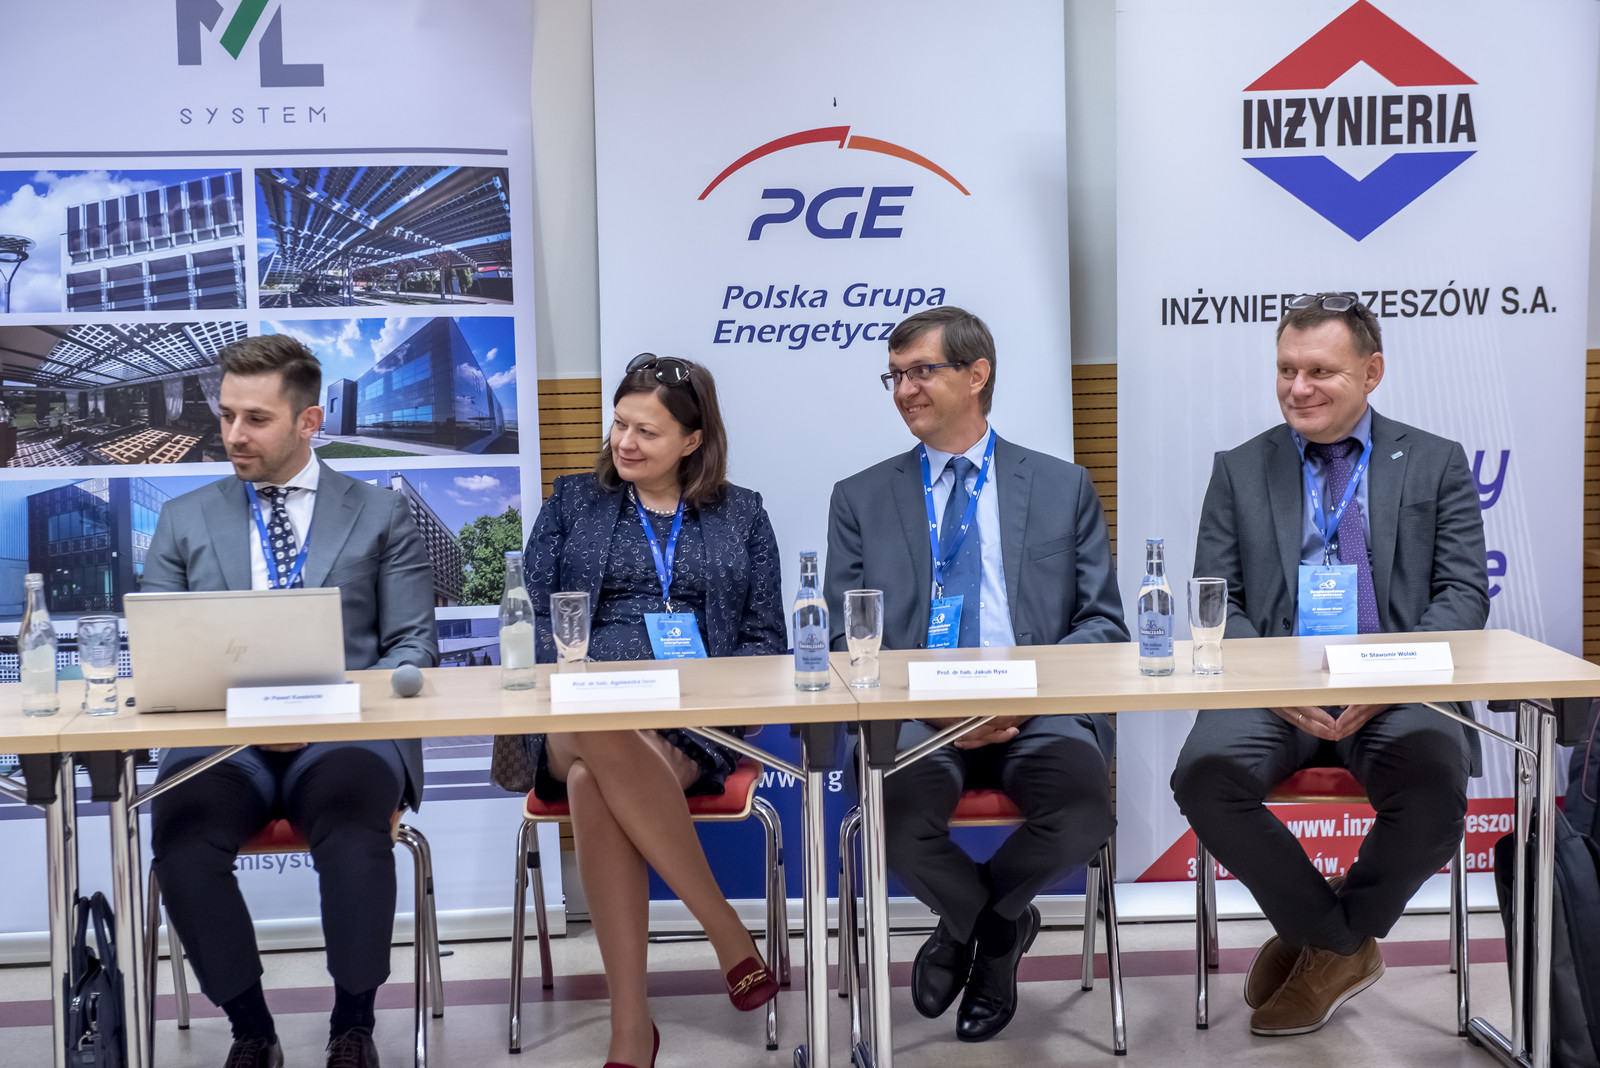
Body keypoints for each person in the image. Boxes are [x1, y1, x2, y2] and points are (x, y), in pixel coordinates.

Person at [1171, 293, 1488, 1037]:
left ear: (1371, 372)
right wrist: (1272, 683)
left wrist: (1392, 677)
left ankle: (1327, 938)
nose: (1298, 388)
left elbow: (1462, 593)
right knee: (1204, 776)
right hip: (1274, 689)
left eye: (1320, 371)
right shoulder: (1240, 468)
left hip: (1395, 685)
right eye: (1286, 370)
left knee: (1434, 781)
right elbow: (1217, 599)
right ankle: (1336, 940)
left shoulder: (1435, 461)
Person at [823, 305, 1127, 1043]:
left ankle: (971, 926)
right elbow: (844, 636)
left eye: (921, 371)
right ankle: (997, 931)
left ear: (977, 374)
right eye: (895, 377)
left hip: (1035, 709)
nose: (905, 390)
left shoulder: (1060, 486)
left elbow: (1101, 623)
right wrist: (931, 707)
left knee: (1084, 809)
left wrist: (1020, 696)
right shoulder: (860, 498)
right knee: (890, 815)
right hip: (916, 716)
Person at [143, 334, 439, 1068]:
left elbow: (411, 648)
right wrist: (249, 717)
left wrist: (322, 712)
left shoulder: (379, 513)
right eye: (227, 415)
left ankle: (353, 1024)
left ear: (309, 422)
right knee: (182, 839)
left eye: (256, 419)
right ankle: (251, 1029)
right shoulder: (183, 518)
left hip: (344, 735)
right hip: (222, 739)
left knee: (356, 831)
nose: (233, 434)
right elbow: (161, 655)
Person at [502, 354, 785, 1068]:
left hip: (688, 721)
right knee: (596, 723)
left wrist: (717, 696)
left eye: (647, 432)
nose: (625, 443)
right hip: (575, 708)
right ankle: (723, 926)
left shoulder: (743, 514)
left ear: (692, 440)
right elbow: (532, 614)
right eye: (620, 425)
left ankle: (631, 1026)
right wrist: (588, 672)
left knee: (593, 782)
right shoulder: (573, 501)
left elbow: (764, 637)